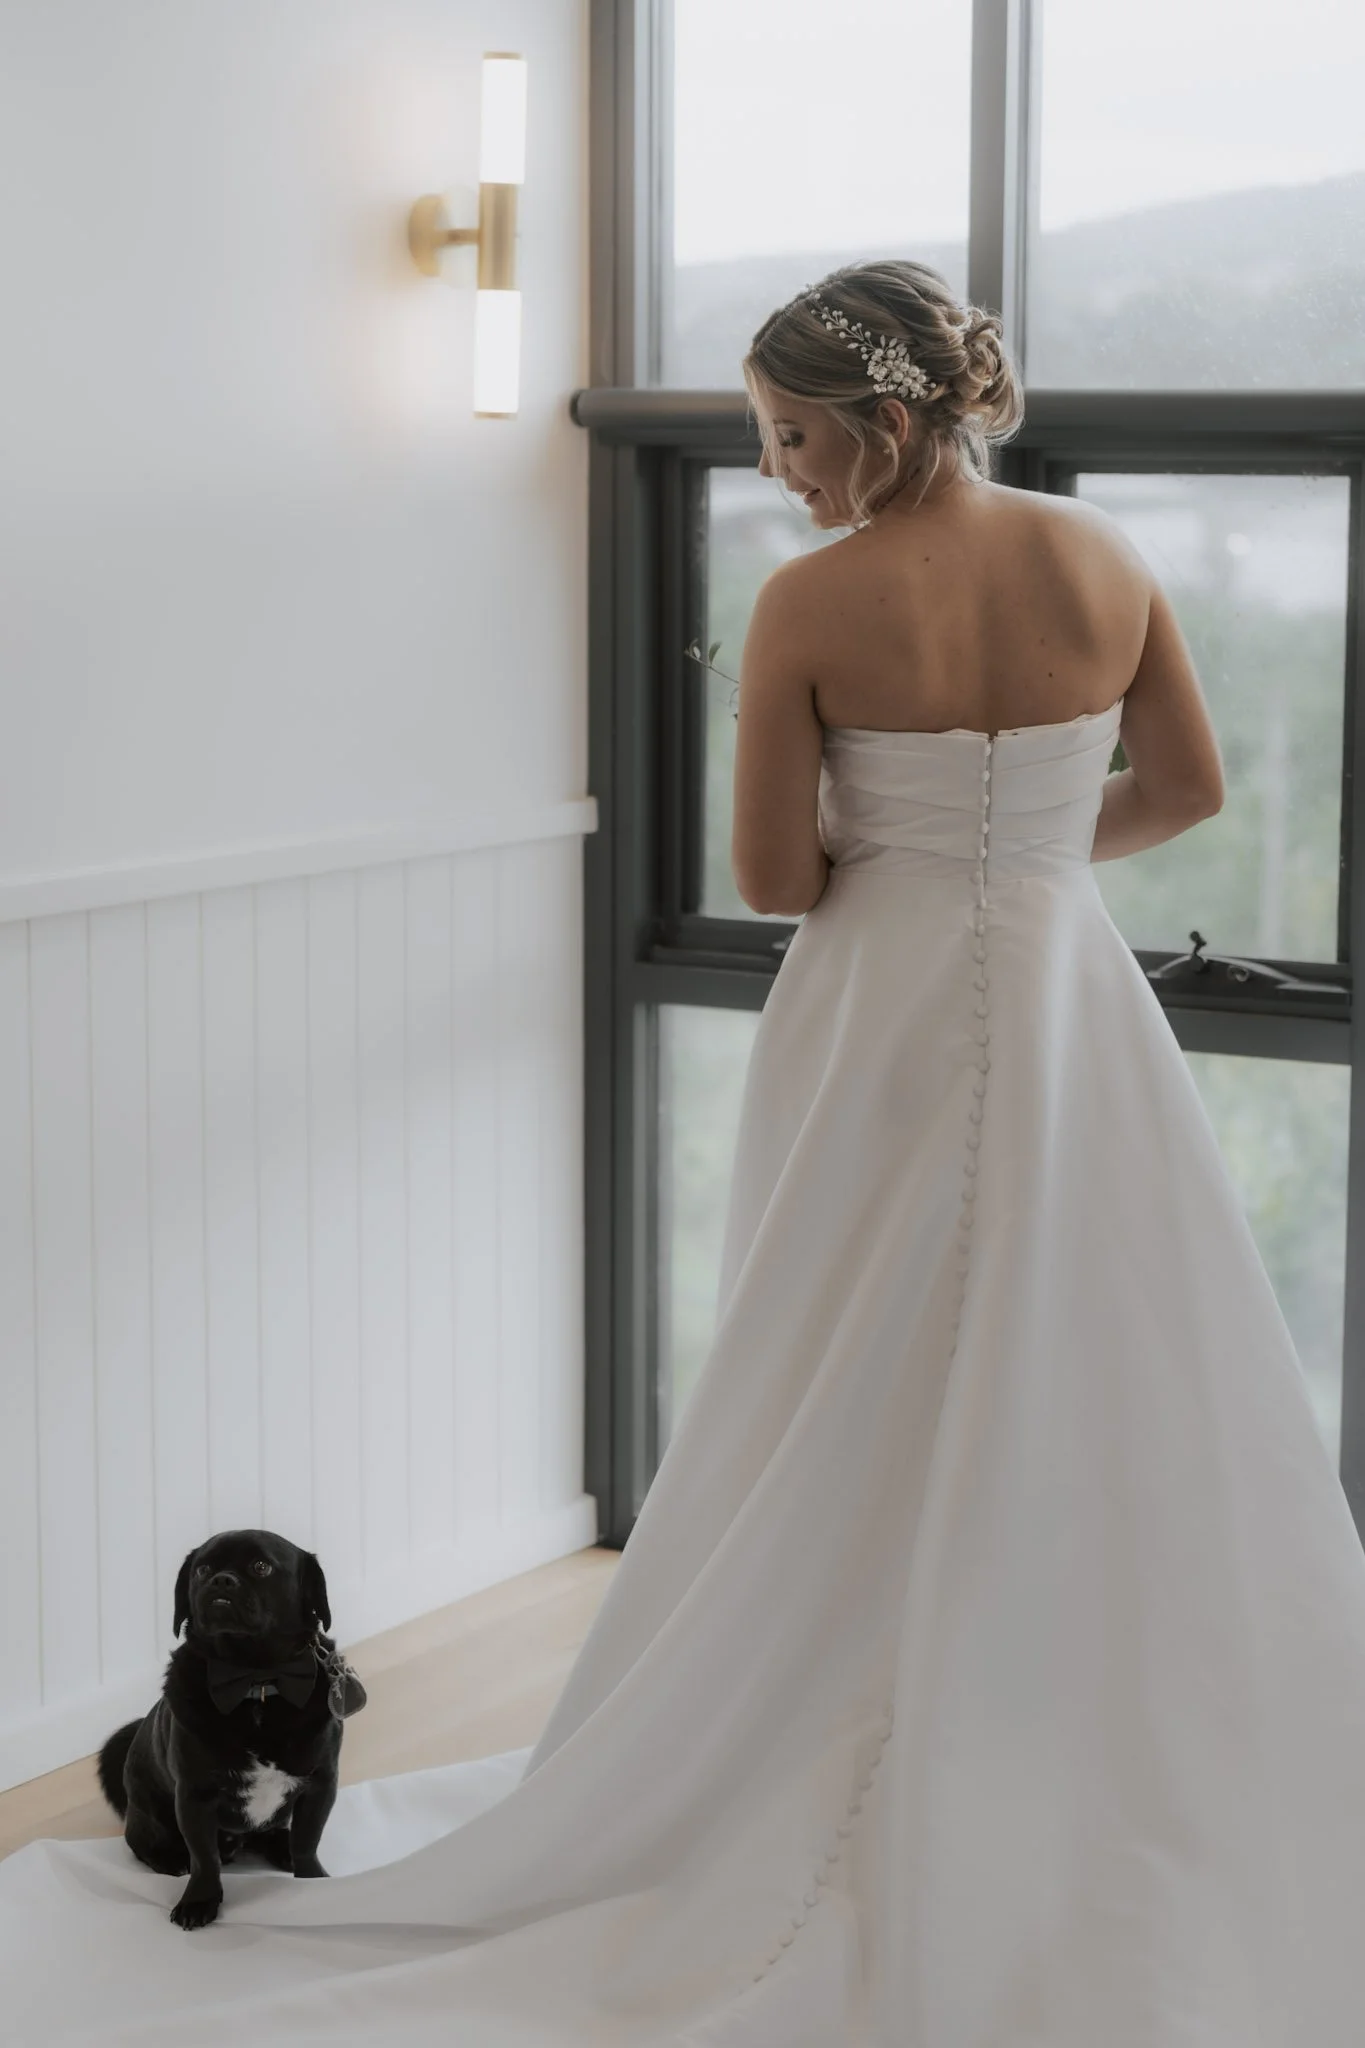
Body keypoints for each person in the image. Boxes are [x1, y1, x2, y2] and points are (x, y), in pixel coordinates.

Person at [5, 258, 1365, 2048]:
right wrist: (1021, 857)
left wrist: (905, 843)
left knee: (837, 1368)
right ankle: (1080, 1755)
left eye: (792, 438)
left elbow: (780, 880)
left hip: (877, 1017)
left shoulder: (811, 602)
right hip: (1067, 1001)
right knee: (1091, 1359)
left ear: (887, 423)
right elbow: (1186, 790)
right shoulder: (1105, 560)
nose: (777, 473)